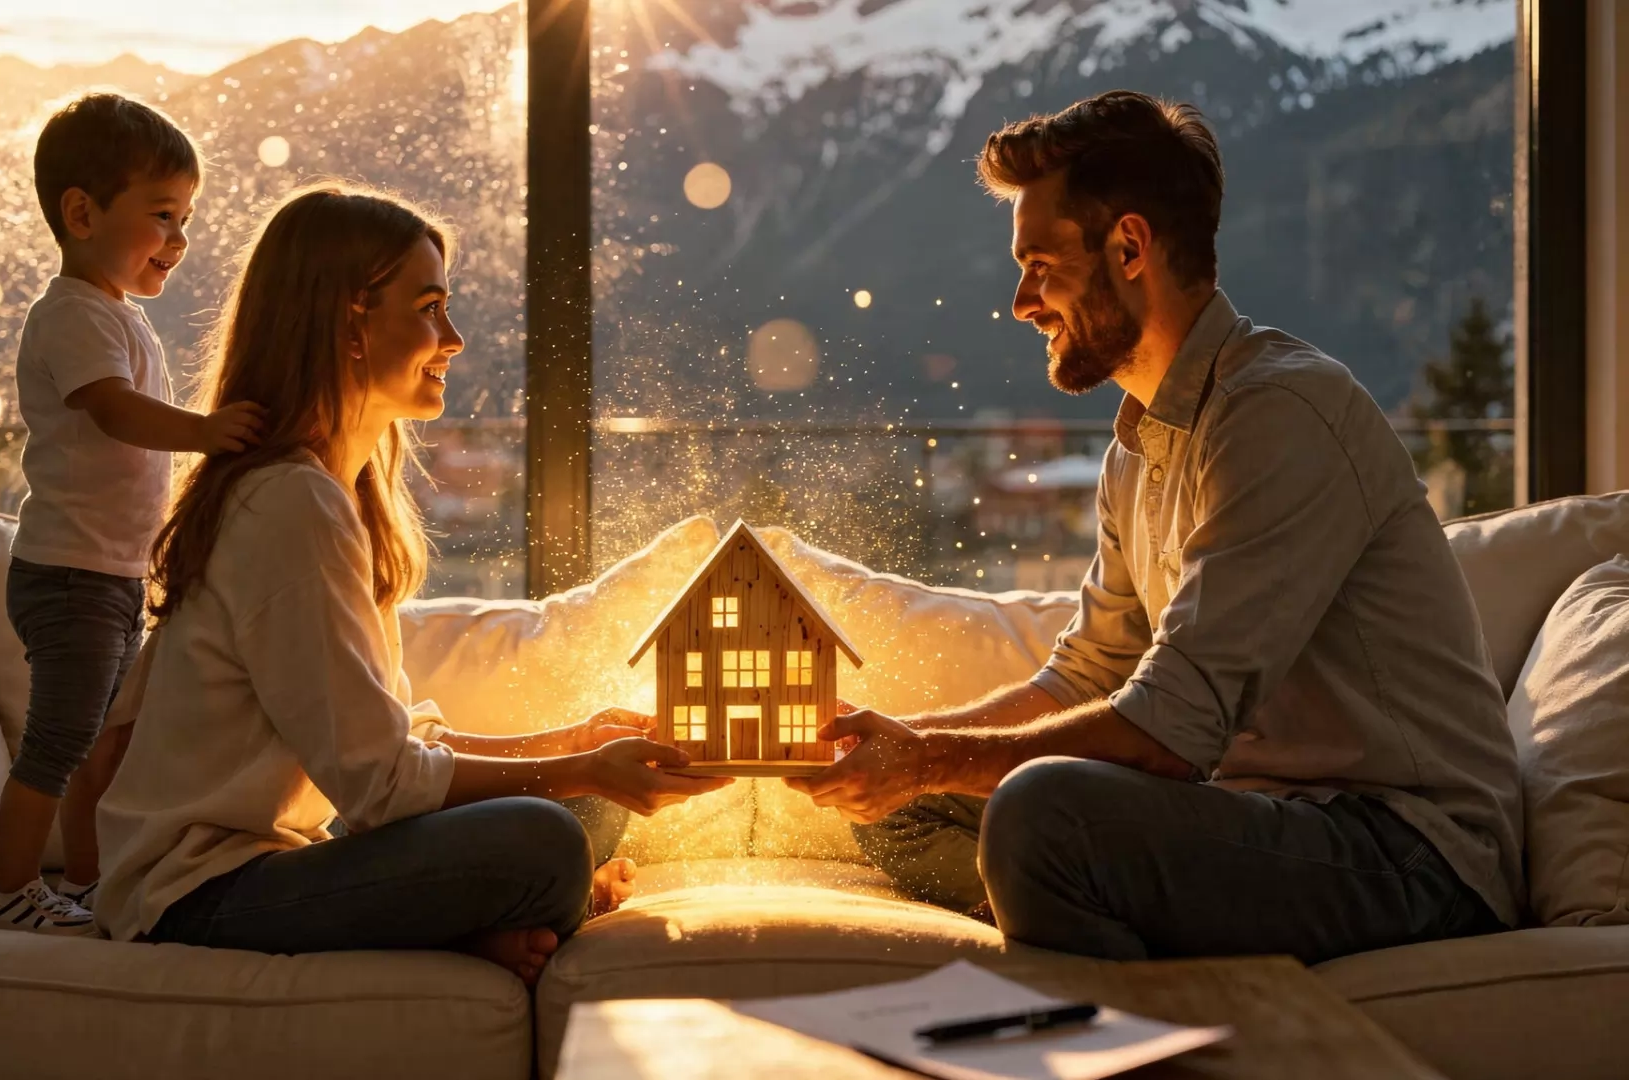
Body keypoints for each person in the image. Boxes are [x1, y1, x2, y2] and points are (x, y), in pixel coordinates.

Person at [789, 90, 1524, 965]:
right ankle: (1076, 910)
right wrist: (906, 754)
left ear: (1129, 246)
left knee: (1040, 815)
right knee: (912, 810)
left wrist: (933, 759)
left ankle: (1106, 978)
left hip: (1408, 853)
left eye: (1039, 264)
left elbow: (1170, 736)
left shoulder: (1279, 411)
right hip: (1254, 823)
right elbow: (1086, 675)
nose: (1022, 301)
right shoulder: (1138, 446)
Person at [94, 182, 728, 985]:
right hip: (198, 898)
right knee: (548, 840)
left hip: (286, 862)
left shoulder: (336, 494)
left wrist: (576, 745)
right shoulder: (289, 504)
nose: (453, 338)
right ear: (348, 324)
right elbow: (382, 787)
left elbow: (397, 744)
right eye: (429, 307)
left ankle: (482, 923)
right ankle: (483, 923)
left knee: (586, 808)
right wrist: (579, 769)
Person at [0, 93, 266, 936]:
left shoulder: (115, 314)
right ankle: (8, 893)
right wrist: (209, 434)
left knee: (102, 744)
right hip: (69, 576)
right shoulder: (70, 314)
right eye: (162, 216)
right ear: (81, 213)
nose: (179, 241)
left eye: (186, 220)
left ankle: (87, 881)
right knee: (63, 743)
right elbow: (114, 412)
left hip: (106, 574)